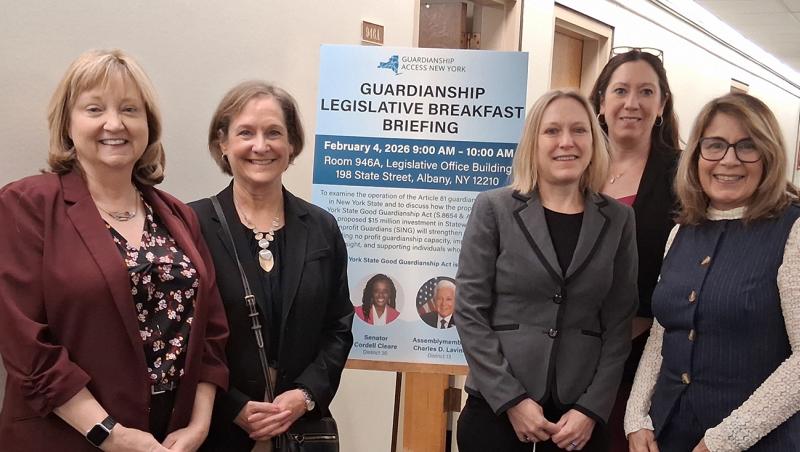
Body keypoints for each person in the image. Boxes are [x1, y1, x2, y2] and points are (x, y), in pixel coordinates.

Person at [0, 49, 229, 452]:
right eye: (94, 108)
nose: (114, 123)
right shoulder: (26, 204)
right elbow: (23, 341)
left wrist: (199, 423)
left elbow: (212, 330)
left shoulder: (177, 214)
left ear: (148, 125)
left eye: (129, 109)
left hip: (170, 437)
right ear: (68, 124)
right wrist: (108, 433)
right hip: (66, 435)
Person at [455, 90, 638, 452]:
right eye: (552, 131)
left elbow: (619, 323)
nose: (566, 142)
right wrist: (512, 400)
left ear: (593, 139)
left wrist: (591, 408)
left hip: (579, 419)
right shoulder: (494, 208)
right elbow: (469, 311)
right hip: (497, 409)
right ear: (533, 142)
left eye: (579, 130)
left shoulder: (619, 219)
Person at [625, 93, 800, 451]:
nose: (728, 160)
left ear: (768, 155)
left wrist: (724, 440)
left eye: (746, 147)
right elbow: (664, 332)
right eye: (715, 145)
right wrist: (636, 417)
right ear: (697, 155)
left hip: (758, 441)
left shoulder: (792, 230)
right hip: (670, 433)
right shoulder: (682, 231)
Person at [190, 81, 354, 451]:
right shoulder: (191, 225)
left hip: (300, 430)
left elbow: (338, 328)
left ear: (292, 144)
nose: (260, 146)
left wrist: (305, 395)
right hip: (217, 431)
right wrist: (232, 405)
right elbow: (183, 336)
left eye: (274, 133)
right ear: (223, 143)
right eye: (246, 132)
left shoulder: (321, 228)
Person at [588, 48, 681, 448]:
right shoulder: (571, 163)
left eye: (646, 92)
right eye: (621, 90)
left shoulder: (683, 175)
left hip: (640, 358)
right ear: (602, 102)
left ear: (661, 105)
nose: (632, 103)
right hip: (563, 356)